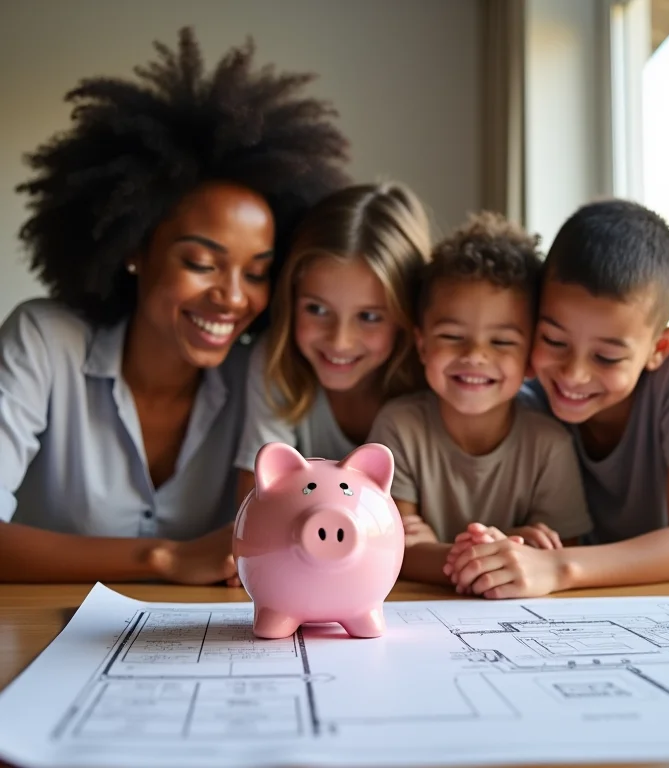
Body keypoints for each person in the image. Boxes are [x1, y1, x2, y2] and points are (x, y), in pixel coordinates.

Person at [0, 28, 349, 584]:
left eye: (257, 272)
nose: (234, 297)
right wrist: (159, 559)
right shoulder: (44, 341)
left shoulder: (261, 374)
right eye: (201, 263)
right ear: (136, 248)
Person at [447, 199, 669, 598]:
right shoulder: (529, 398)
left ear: (659, 346)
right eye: (554, 340)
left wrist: (557, 567)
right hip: (667, 594)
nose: (573, 374)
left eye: (607, 356)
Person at [368, 212, 591, 591]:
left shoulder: (550, 444)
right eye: (453, 336)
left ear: (531, 355)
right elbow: (389, 550)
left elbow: (554, 555)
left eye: (502, 341)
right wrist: (502, 552)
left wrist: (437, 549)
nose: (475, 355)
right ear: (422, 344)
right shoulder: (398, 427)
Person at [235, 181, 431, 499]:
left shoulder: (433, 379)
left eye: (369, 317)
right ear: (292, 296)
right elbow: (256, 505)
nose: (339, 341)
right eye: (317, 309)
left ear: (405, 317)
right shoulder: (278, 363)